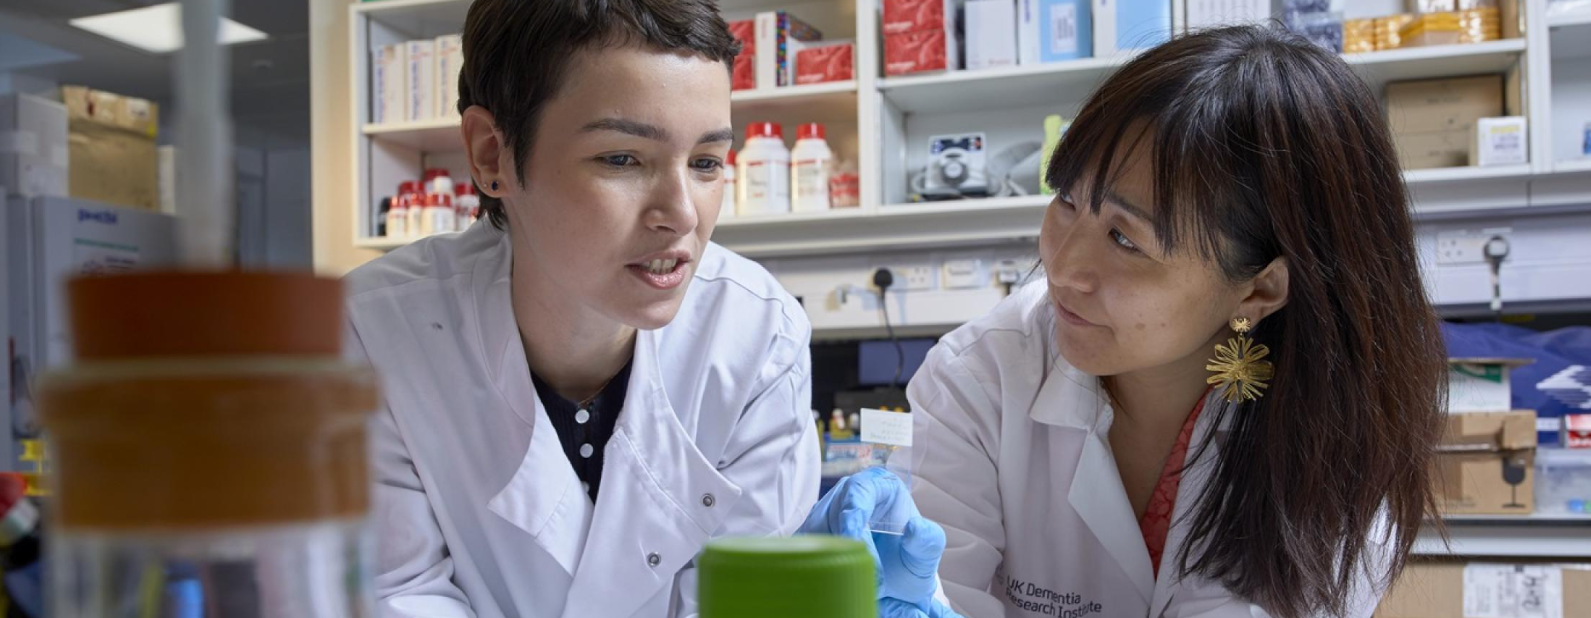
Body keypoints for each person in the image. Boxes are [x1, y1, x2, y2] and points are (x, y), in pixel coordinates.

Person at [343, 1, 953, 616]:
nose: (683, 214)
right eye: (622, 158)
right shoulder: (371, 334)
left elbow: (740, 606)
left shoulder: (757, 334)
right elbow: (392, 596)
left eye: (706, 162)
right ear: (490, 154)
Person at [901, 26, 1447, 618]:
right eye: (1067, 200)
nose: (1063, 270)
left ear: (1259, 288)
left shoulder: (1334, 438)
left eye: (1125, 239)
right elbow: (937, 595)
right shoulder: (980, 377)